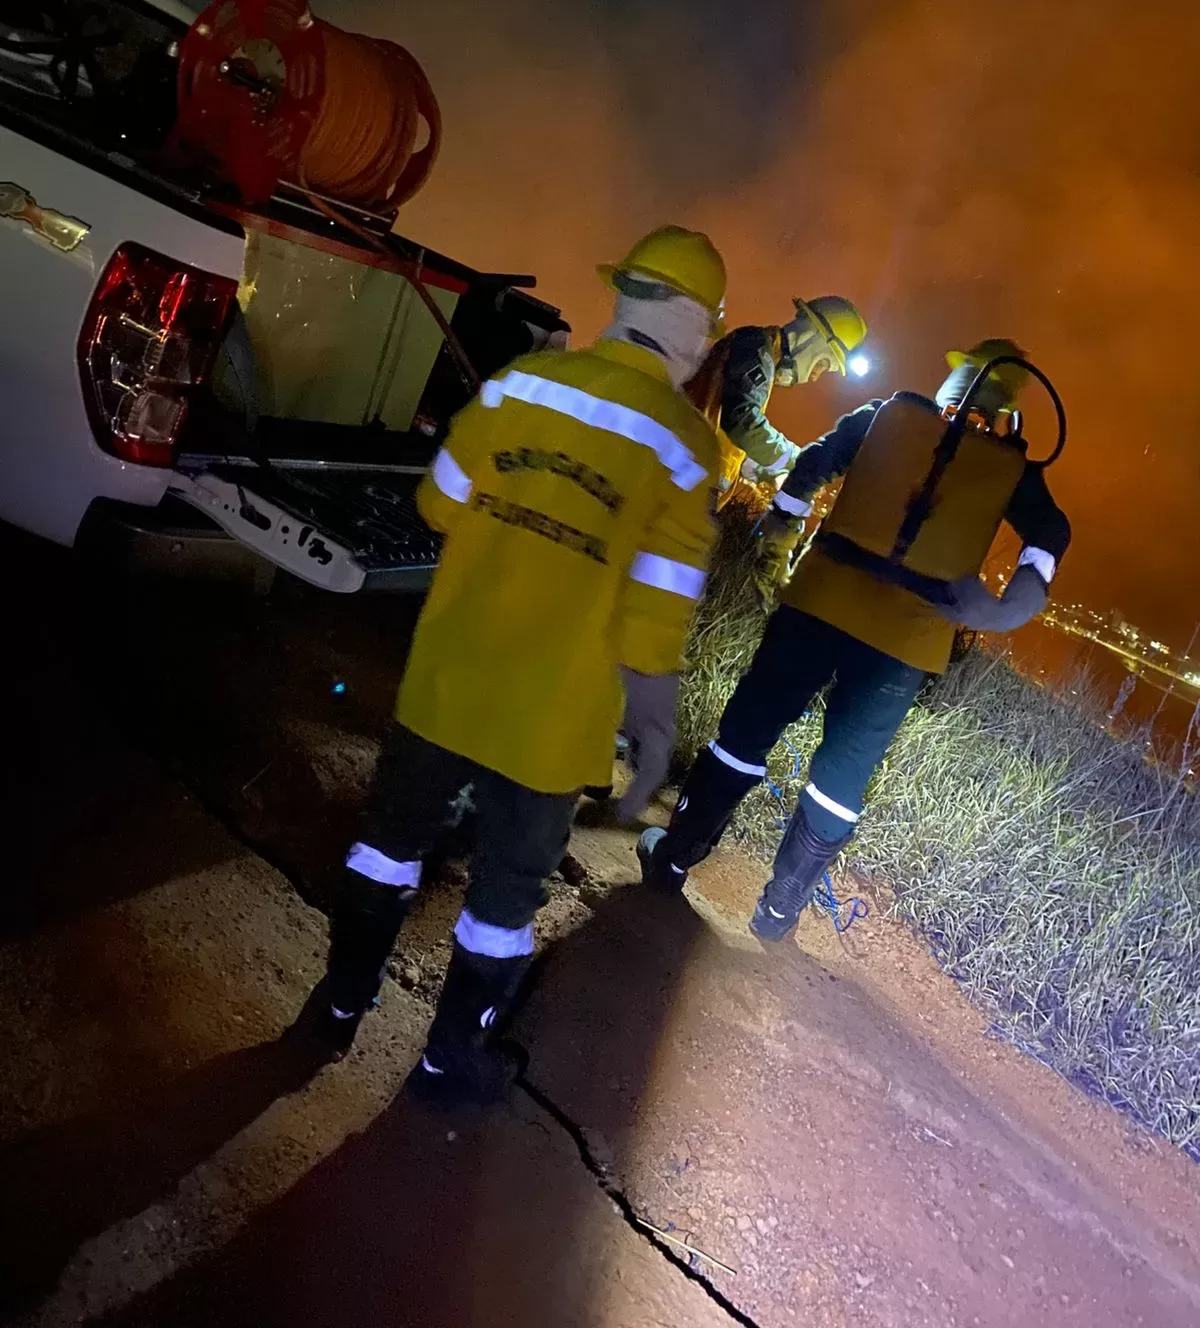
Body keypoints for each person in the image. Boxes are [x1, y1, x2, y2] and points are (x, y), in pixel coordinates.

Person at [312, 226, 725, 1103]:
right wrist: (653, 736)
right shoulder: (686, 449)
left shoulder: (523, 382)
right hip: (550, 725)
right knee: (505, 897)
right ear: (693, 327)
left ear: (625, 299)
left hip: (448, 684)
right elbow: (654, 627)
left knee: (388, 847)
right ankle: (446, 1062)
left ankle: (337, 1006)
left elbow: (437, 503)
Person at [638, 338, 1071, 942]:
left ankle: (675, 857)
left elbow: (814, 463)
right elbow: (1051, 533)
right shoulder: (1012, 470)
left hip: (819, 603)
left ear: (956, 379)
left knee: (746, 731)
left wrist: (781, 530)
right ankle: (779, 912)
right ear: (1005, 408)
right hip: (904, 643)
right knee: (843, 776)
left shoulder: (886, 414)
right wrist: (1006, 609)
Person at [685, 296, 868, 596]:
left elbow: (726, 433)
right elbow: (742, 421)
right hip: (686, 483)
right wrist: (798, 460)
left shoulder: (760, 355)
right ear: (810, 338)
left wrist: (761, 470)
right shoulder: (755, 346)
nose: (815, 376)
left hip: (690, 481)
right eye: (823, 364)